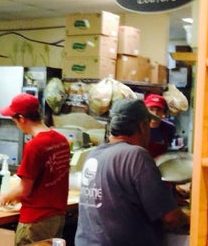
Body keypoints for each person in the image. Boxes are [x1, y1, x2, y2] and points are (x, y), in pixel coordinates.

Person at [75, 99, 189, 246]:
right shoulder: (136, 155)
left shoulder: (93, 155)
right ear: (142, 127)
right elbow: (170, 218)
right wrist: (189, 219)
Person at [0, 93, 71, 245]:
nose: (15, 124)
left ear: (22, 118)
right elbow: (49, 178)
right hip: (57, 217)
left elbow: (25, 189)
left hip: (35, 221)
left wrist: (3, 197)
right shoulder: (61, 140)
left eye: (14, 120)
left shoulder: (34, 146)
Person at [144, 93, 176, 158]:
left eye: (158, 110)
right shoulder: (138, 126)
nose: (155, 113)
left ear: (163, 112)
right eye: (151, 109)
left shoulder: (169, 128)